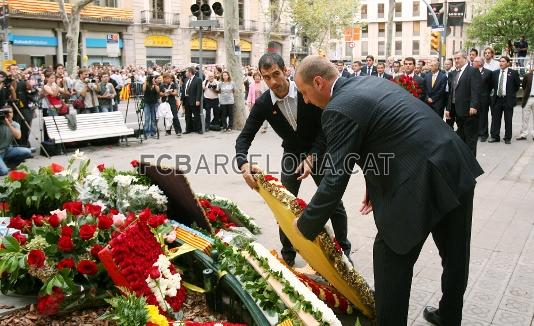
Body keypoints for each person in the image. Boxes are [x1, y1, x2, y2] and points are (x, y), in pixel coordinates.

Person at [293, 55, 483, 326]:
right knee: (455, 255)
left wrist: (304, 226)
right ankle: (450, 316)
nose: (307, 100)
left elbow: (335, 179)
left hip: (420, 177)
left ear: (319, 82)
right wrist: (373, 183)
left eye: (304, 92)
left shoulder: (338, 108)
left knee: (389, 256)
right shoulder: (368, 82)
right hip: (454, 162)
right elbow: (389, 133)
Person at [235, 53, 352, 266]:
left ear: (286, 70)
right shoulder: (263, 103)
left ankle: (344, 251)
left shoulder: (305, 91)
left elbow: (325, 129)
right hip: (291, 154)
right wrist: (243, 164)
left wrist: (312, 158)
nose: (273, 82)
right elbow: (244, 138)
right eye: (266, 77)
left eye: (276, 74)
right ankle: (288, 255)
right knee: (285, 205)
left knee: (333, 203)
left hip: (320, 151)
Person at [446, 50, 482, 156]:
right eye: (455, 58)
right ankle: (465, 161)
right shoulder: (454, 73)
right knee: (461, 137)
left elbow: (476, 90)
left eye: (458, 58)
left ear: (465, 58)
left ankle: (472, 164)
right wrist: (448, 108)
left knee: (470, 138)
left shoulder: (472, 71)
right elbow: (452, 92)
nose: (456, 60)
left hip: (469, 111)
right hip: (457, 111)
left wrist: (474, 105)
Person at [488, 56, 520, 144]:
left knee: (508, 119)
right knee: (495, 119)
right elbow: (491, 85)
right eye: (500, 61)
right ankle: (495, 136)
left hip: (508, 99)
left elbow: (517, 85)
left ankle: (507, 138)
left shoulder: (513, 73)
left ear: (508, 63)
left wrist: (510, 94)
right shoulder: (495, 73)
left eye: (503, 61)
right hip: (497, 99)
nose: (501, 63)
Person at [0, 106, 32, 176]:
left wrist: (8, 124)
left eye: (10, 112)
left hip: (7, 150)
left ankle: (9, 165)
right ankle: (3, 166)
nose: (8, 114)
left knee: (27, 151)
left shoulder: (15, 124)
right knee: (4, 171)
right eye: (5, 113)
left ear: (13, 113)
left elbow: (18, 136)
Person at [472, 56, 493, 142]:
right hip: (474, 98)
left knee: (483, 116)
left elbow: (491, 85)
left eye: (475, 61)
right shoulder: (472, 72)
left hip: (484, 98)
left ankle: (484, 134)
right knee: (474, 116)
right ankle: (476, 133)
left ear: (480, 63)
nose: (473, 62)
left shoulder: (488, 72)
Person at [182, 67, 203, 134]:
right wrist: (182, 99)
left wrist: (198, 100)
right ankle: (188, 129)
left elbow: (199, 91)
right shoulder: (186, 80)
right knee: (187, 116)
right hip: (186, 100)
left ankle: (199, 129)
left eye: (186, 72)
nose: (185, 73)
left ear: (190, 72)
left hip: (194, 100)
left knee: (196, 115)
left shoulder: (198, 79)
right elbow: (184, 90)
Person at [516, 68, 534, 141]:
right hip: (528, 98)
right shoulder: (528, 75)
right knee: (525, 117)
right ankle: (524, 133)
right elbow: (523, 86)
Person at [142, 74, 160, 139]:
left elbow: (158, 91)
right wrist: (146, 81)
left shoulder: (155, 85)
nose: (151, 79)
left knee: (153, 118)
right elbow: (143, 90)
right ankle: (146, 132)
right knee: (147, 118)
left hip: (154, 103)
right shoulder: (146, 85)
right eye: (151, 79)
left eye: (152, 78)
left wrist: (154, 84)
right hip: (147, 103)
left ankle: (153, 132)